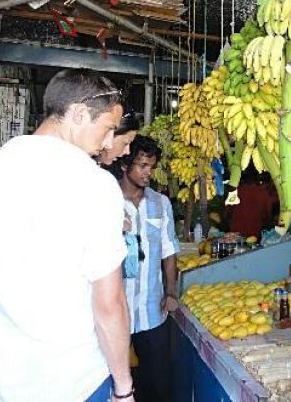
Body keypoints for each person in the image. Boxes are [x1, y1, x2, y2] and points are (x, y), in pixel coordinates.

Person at [0, 69, 134, 401]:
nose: (110, 143)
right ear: (79, 114)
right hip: (72, 384)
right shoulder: (94, 185)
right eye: (108, 129)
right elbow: (109, 304)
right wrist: (123, 387)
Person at [119, 135, 180, 402]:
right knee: (115, 384)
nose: (148, 173)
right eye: (142, 166)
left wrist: (171, 292)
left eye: (151, 167)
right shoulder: (104, 200)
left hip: (152, 313)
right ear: (124, 165)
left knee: (158, 386)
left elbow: (169, 251)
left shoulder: (160, 203)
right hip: (114, 314)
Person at [227, 168, 278, 236]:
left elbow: (228, 211)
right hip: (254, 232)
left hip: (235, 232)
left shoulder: (236, 191)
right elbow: (268, 215)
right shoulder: (263, 193)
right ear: (258, 177)